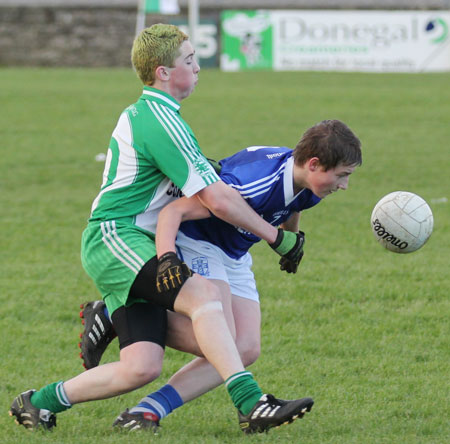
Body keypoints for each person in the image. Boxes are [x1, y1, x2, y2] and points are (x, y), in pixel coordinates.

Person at [9, 24, 311, 435]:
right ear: (162, 72)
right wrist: (277, 237)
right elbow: (216, 199)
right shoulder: (158, 118)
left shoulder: (162, 117)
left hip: (134, 246)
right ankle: (250, 403)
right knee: (205, 298)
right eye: (189, 60)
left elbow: (210, 181)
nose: (198, 67)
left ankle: (37, 402)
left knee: (143, 366)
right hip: (116, 237)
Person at [79, 119, 362, 433]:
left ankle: (146, 411)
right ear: (314, 164)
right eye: (342, 175)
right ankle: (120, 314)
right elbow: (174, 212)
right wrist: (167, 256)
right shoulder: (250, 183)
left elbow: (293, 204)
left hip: (235, 252)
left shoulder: (308, 182)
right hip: (200, 242)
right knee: (222, 339)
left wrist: (289, 243)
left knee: (246, 347)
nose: (345, 185)